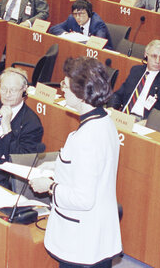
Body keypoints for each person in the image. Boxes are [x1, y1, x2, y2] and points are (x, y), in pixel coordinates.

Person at [29, 57, 122, 268]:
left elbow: (83, 198)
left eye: (65, 84)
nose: (62, 89)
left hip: (82, 240)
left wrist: (49, 186)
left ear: (81, 92)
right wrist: (53, 166)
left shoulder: (86, 137)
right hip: (95, 234)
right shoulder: (104, 122)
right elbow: (87, 168)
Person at [109, 39, 160, 118]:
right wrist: (111, 109)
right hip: (123, 116)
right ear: (146, 54)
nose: (157, 61)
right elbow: (119, 95)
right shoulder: (136, 70)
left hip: (143, 121)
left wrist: (148, 123)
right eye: (154, 56)